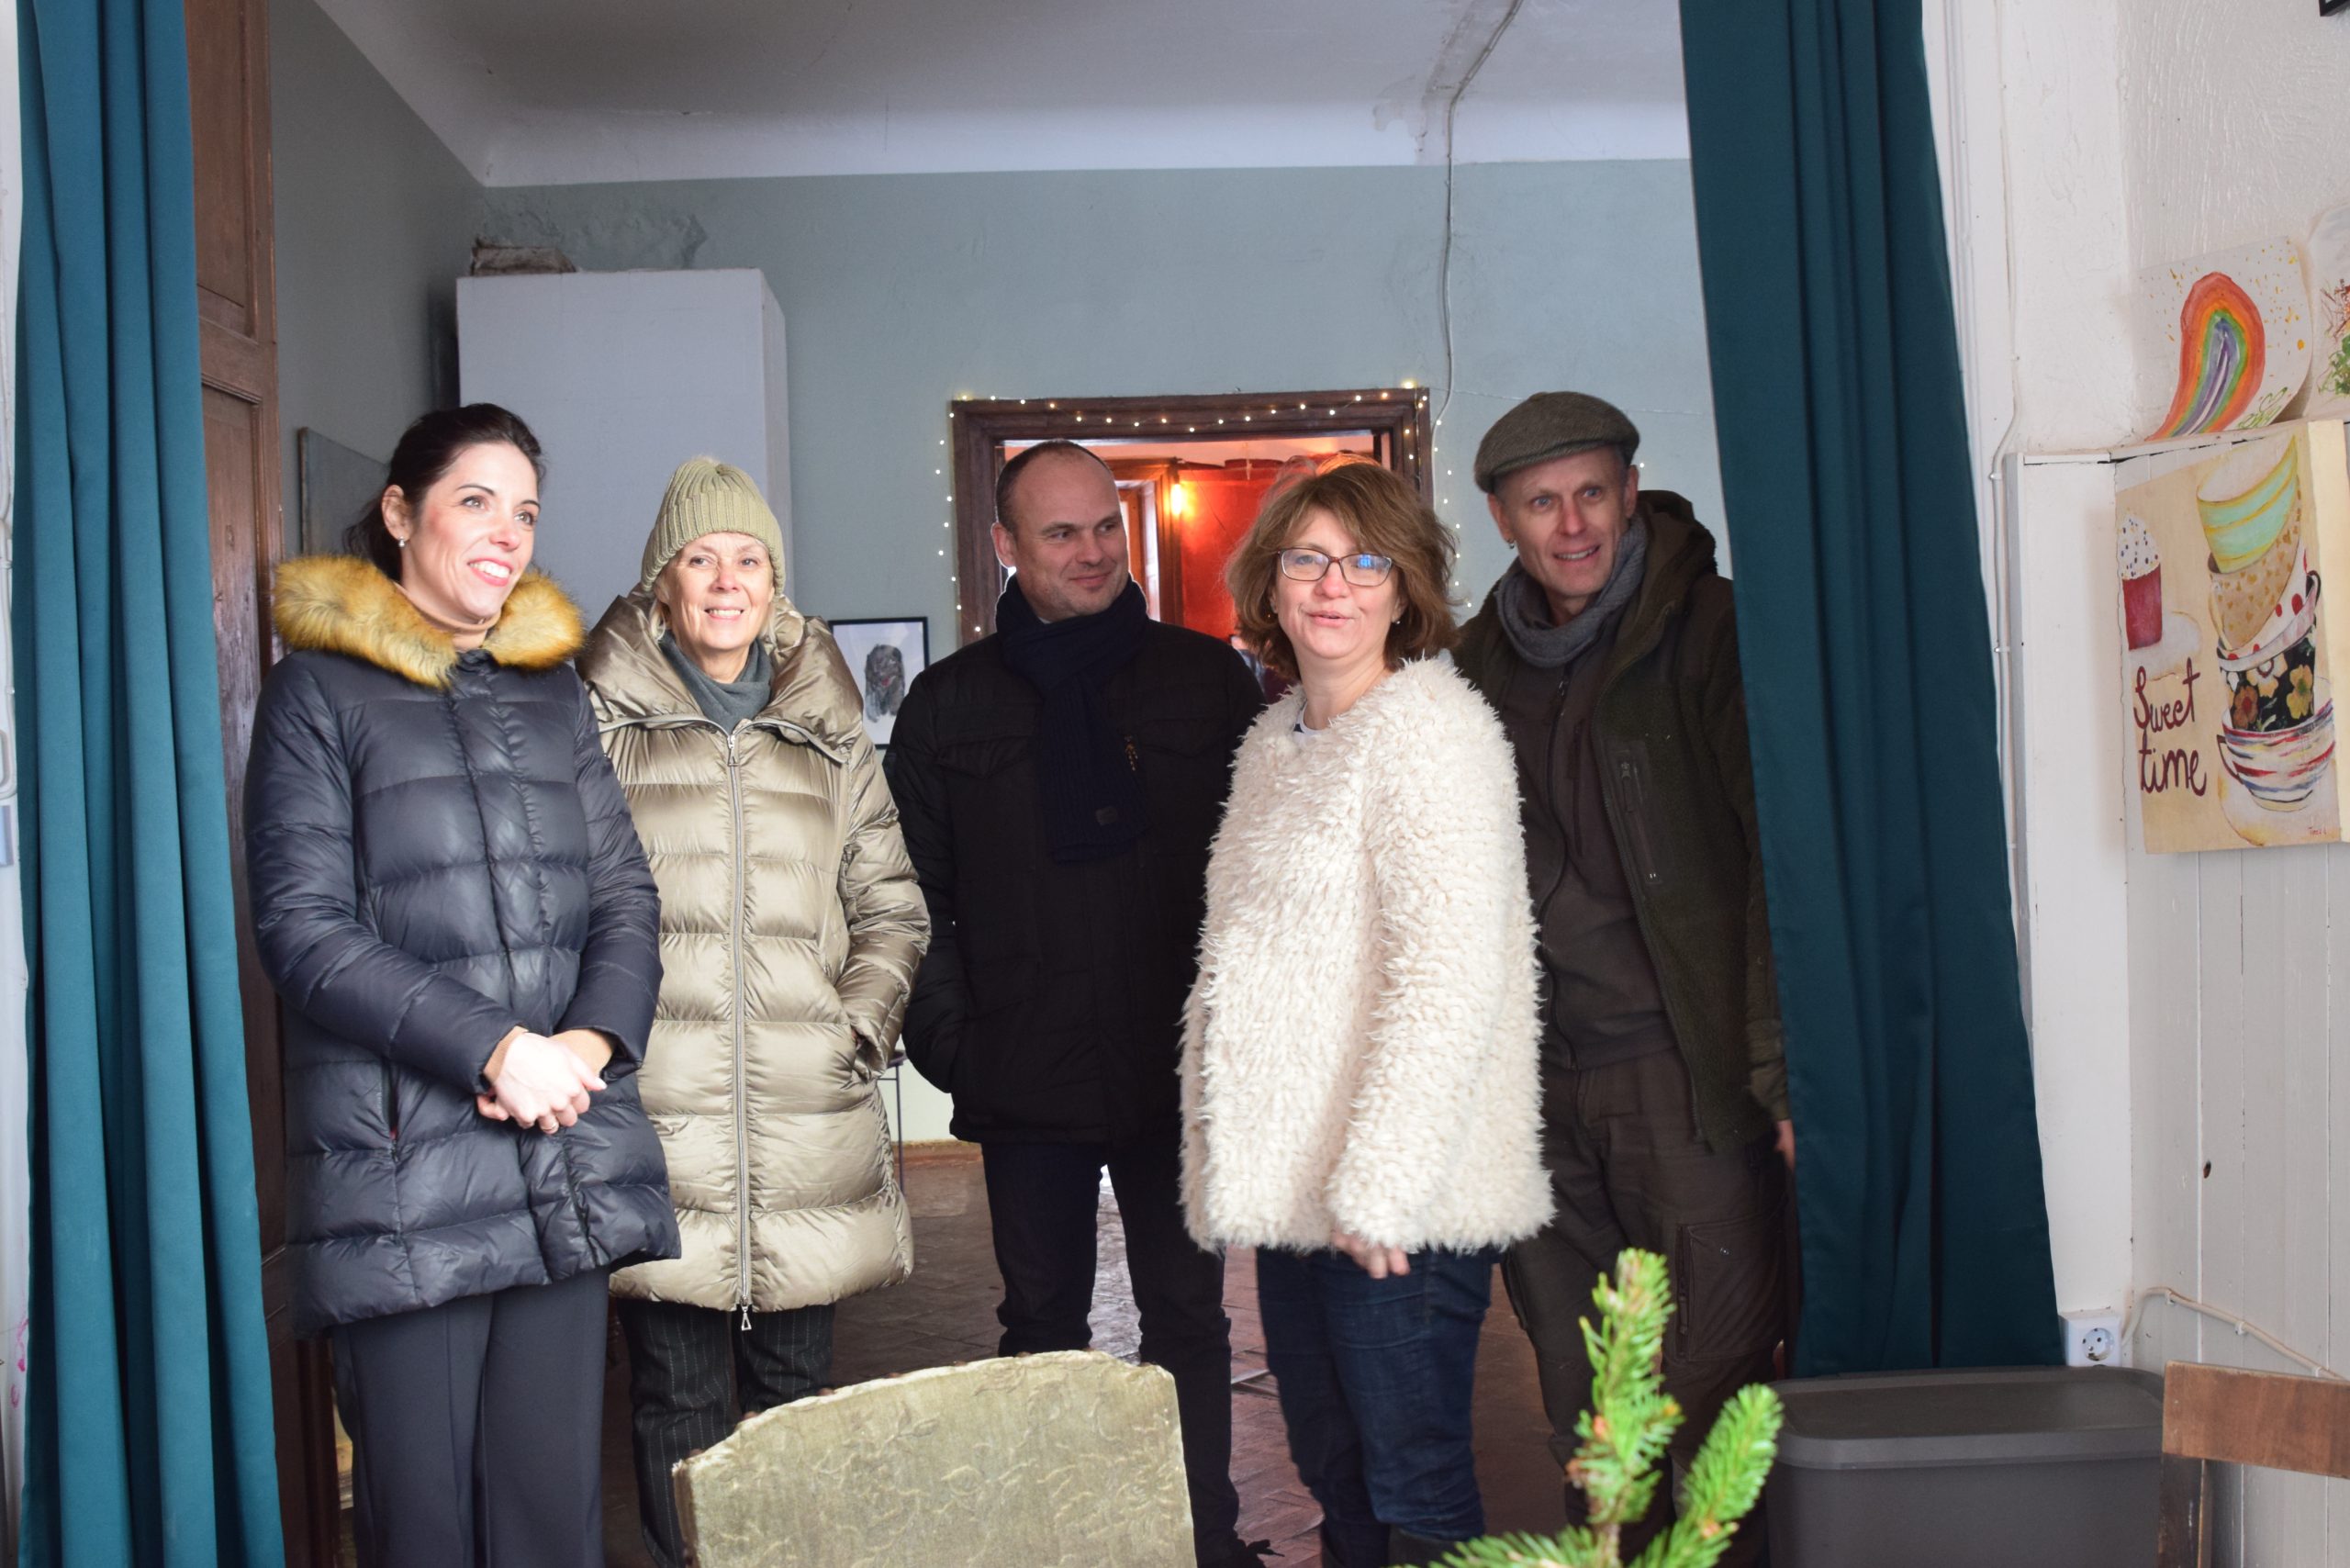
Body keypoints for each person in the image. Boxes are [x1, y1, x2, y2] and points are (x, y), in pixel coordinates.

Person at [245, 404, 677, 1568]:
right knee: (426, 1526)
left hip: (561, 1155)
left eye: (524, 512)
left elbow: (626, 897)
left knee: (550, 1520)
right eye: (475, 501)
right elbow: (303, 932)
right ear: (399, 512)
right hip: (406, 1182)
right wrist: (496, 1049)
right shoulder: (316, 696)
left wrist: (588, 1044)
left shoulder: (553, 695)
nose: (506, 533)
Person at [885, 440, 1267, 1568]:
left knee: (1189, 1321)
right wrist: (956, 1045)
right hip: (1024, 1074)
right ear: (1006, 545)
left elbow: (1259, 872)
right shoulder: (947, 705)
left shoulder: (1206, 680)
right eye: (1062, 533)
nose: (1094, 550)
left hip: (1178, 1070)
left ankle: (1204, 1540)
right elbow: (910, 897)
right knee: (1041, 1328)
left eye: (1107, 525)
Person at [1181, 461, 1550, 1568]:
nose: (1333, 584)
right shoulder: (1275, 742)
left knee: (1412, 1482)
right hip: (1300, 1187)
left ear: (1406, 589)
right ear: (1270, 584)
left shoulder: (1431, 735)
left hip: (1400, 1197)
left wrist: (1382, 1184)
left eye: (1365, 561)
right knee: (1330, 1463)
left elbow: (1448, 978)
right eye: (1307, 559)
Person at [1458, 391, 1792, 1564]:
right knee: (1584, 1396)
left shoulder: (1713, 633)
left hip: (1683, 1075)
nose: (1572, 525)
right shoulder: (1469, 670)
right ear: (1502, 519)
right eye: (1542, 502)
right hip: (1538, 1092)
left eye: (1592, 493)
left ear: (1632, 491)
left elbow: (1778, 861)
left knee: (1708, 1384)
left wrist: (1778, 1069)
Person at [576, 457, 929, 1568]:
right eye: (701, 558)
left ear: (775, 583)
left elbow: (891, 904)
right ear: (662, 581)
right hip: (658, 1118)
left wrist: (855, 1027)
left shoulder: (829, 728)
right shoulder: (594, 720)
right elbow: (559, 906)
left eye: (748, 559)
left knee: (797, 1394)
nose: (726, 581)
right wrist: (603, 1046)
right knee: (675, 1399)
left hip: (804, 1115)